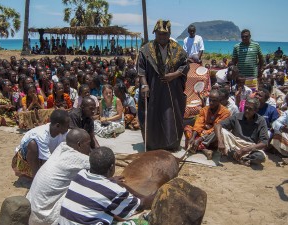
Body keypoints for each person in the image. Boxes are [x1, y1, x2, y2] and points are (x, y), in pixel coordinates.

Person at [58, 146, 154, 225]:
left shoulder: (80, 175)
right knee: (142, 222)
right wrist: (161, 191)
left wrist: (109, 181)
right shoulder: (113, 190)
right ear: (112, 167)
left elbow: (96, 187)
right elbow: (141, 204)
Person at [137, 19, 189, 151]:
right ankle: (152, 144)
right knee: (152, 115)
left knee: (172, 116)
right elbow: (141, 70)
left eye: (165, 34)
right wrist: (144, 85)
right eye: (159, 34)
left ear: (169, 33)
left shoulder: (177, 49)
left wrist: (174, 75)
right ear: (155, 33)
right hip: (153, 88)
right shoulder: (146, 50)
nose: (162, 37)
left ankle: (172, 144)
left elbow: (185, 65)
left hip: (172, 89)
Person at [26, 128, 91, 225]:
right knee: (89, 189)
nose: (89, 148)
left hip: (32, 209)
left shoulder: (61, 147)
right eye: (88, 144)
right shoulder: (76, 158)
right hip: (44, 217)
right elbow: (102, 165)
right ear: (79, 145)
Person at [12, 109, 70, 178]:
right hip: (24, 160)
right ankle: (36, 178)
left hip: (43, 158)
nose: (68, 127)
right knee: (32, 144)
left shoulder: (63, 132)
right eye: (67, 125)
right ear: (58, 126)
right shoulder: (42, 135)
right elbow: (46, 160)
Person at [215, 97, 269, 166]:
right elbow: (218, 125)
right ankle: (240, 157)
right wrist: (220, 142)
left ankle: (236, 156)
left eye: (250, 109)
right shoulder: (237, 116)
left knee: (260, 157)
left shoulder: (261, 121)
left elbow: (264, 142)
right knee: (221, 131)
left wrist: (245, 149)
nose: (246, 110)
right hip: (235, 143)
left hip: (250, 146)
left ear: (256, 110)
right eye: (245, 107)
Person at [184, 90, 231, 159]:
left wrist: (200, 138)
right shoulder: (204, 110)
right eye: (210, 100)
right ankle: (204, 149)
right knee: (187, 128)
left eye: (214, 101)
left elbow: (217, 127)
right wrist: (193, 137)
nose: (211, 103)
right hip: (202, 133)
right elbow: (198, 124)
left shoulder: (225, 113)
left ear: (219, 101)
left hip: (212, 138)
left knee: (218, 132)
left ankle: (198, 146)